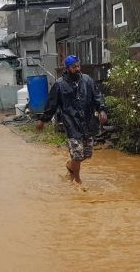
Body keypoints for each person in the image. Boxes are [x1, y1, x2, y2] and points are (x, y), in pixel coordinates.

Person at [37, 55, 107, 187]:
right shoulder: (60, 84)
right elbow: (52, 104)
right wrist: (43, 119)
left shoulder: (87, 80)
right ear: (67, 68)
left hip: (87, 122)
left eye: (78, 65)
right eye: (74, 67)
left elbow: (97, 96)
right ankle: (77, 179)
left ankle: (70, 166)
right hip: (71, 124)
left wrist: (102, 110)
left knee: (87, 154)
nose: (77, 68)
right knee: (77, 155)